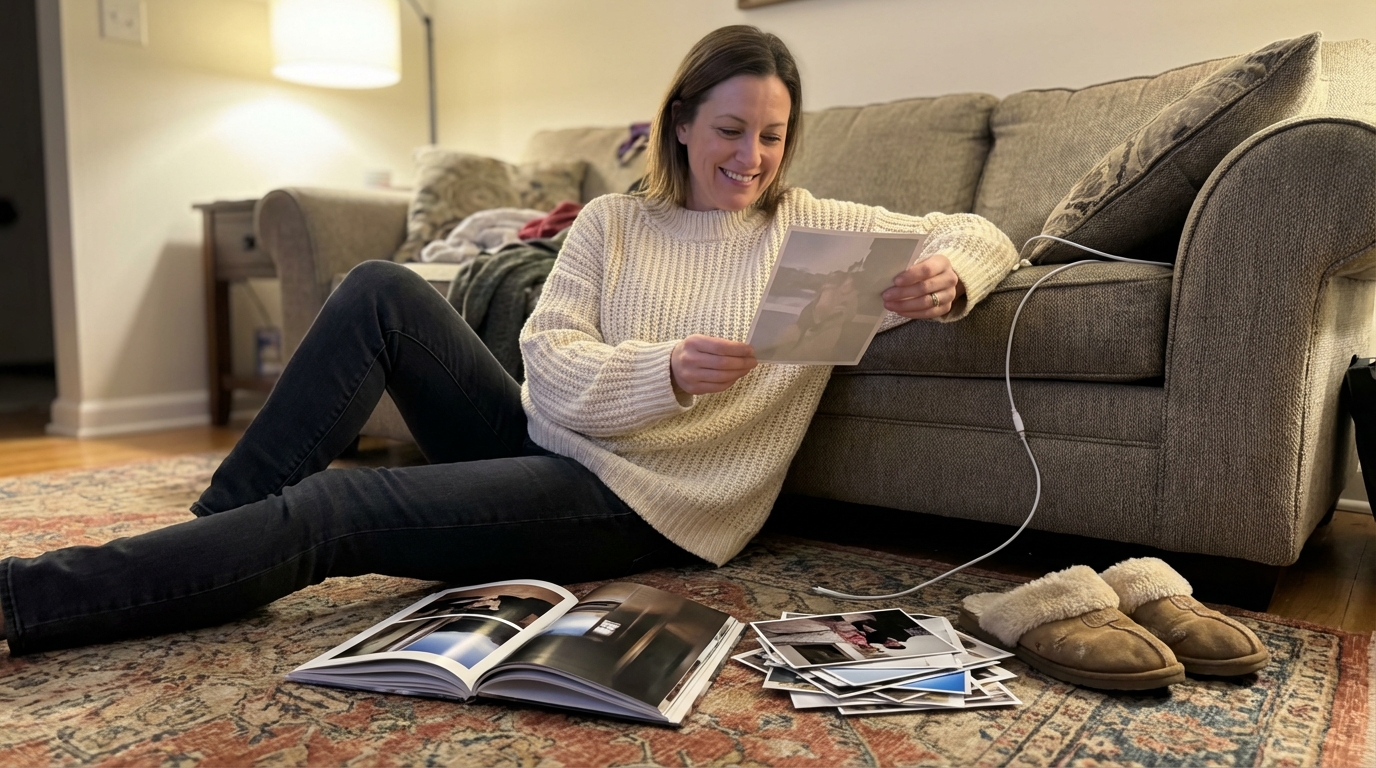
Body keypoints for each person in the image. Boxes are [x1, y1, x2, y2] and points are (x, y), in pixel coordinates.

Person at [0, 25, 1016, 656]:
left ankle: (28, 600)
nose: (749, 157)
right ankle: (209, 540)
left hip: (651, 510)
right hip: (559, 441)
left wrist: (952, 271)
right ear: (677, 125)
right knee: (379, 288)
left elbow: (980, 228)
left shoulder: (816, 229)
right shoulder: (615, 223)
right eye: (727, 130)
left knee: (338, 507)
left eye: (770, 134)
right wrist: (659, 371)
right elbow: (554, 370)